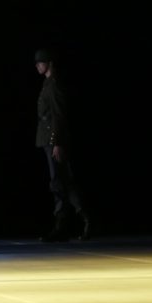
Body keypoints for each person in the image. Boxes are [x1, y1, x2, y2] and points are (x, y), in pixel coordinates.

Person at [34, 48, 90, 241]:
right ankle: (83, 220)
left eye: (41, 62)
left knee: (59, 181)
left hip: (53, 141)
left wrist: (56, 142)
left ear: (49, 63)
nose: (37, 65)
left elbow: (59, 115)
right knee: (63, 180)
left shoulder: (54, 84)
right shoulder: (48, 83)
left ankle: (65, 225)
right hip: (50, 139)